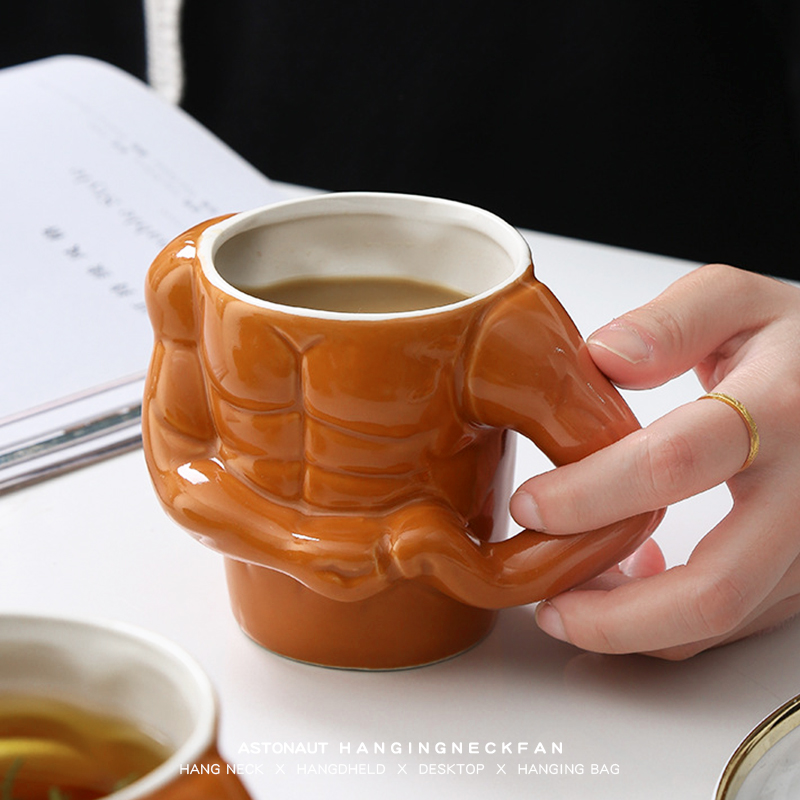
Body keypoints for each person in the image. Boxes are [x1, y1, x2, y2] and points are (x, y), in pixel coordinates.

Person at [4, 0, 800, 659]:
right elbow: (182, 464)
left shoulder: (497, 327)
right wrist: (304, 542)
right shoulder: (189, 281)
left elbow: (629, 498)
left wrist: (490, 576)